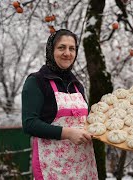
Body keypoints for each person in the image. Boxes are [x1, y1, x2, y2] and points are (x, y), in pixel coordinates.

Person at [21, 29, 98, 179]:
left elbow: (86, 122)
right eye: (61, 47)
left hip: (84, 166)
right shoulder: (36, 81)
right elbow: (29, 124)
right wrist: (68, 133)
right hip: (53, 168)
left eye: (72, 48)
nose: (67, 53)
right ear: (51, 50)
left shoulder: (77, 85)